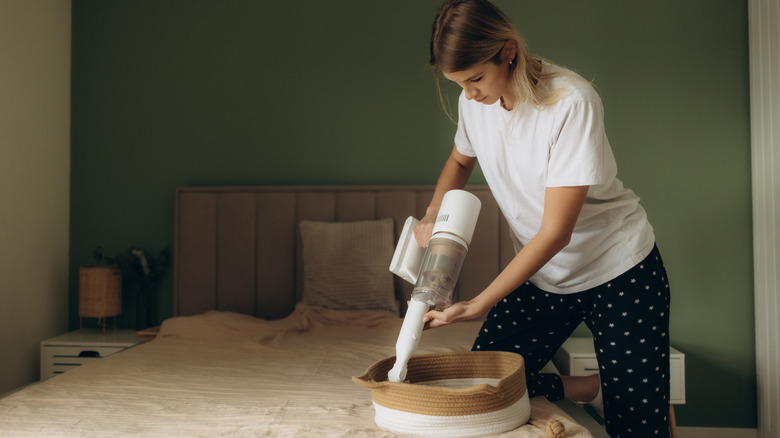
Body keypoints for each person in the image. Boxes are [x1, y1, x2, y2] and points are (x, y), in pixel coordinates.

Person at [416, 1, 672, 436]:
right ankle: (587, 388)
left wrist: (480, 303)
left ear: (508, 51)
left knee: (638, 426)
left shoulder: (571, 102)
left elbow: (555, 232)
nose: (470, 93)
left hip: (620, 271)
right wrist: (431, 216)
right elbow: (460, 162)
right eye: (459, 84)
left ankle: (628, 399)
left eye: (476, 78)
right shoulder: (473, 103)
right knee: (480, 385)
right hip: (546, 276)